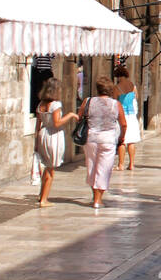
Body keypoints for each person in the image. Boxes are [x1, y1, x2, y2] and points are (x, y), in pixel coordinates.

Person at [78, 76, 126, 210]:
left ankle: (95, 197)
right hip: (108, 139)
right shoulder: (116, 104)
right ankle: (98, 200)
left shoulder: (88, 101)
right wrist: (122, 137)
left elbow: (80, 116)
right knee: (104, 169)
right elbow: (123, 124)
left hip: (91, 138)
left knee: (92, 167)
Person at [33, 78, 78, 207]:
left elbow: (38, 124)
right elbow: (57, 122)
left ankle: (42, 195)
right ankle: (44, 200)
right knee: (50, 168)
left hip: (43, 134)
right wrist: (70, 115)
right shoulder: (55, 105)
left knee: (47, 166)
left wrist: (36, 141)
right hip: (53, 135)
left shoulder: (40, 104)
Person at [112, 65, 141, 171]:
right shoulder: (133, 86)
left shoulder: (117, 88)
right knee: (131, 141)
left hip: (122, 116)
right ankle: (132, 164)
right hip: (132, 115)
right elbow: (136, 98)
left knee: (122, 140)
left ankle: (121, 164)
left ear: (118, 76)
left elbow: (114, 102)